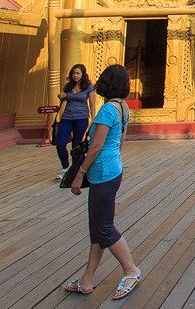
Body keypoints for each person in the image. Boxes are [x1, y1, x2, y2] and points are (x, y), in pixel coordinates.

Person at [64, 64, 141, 301]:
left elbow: (96, 145)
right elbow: (120, 141)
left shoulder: (108, 109)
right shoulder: (122, 107)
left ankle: (131, 270)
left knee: (104, 227)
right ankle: (87, 280)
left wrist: (79, 173)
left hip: (102, 172)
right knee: (97, 228)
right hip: (112, 168)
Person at [54, 64, 96, 181]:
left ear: (83, 74)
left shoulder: (89, 87)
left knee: (76, 146)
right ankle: (65, 166)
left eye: (78, 73)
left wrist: (93, 120)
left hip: (81, 118)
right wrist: (62, 96)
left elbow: (92, 104)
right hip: (67, 117)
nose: (75, 75)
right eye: (73, 73)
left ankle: (76, 170)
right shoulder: (68, 87)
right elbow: (62, 97)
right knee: (60, 143)